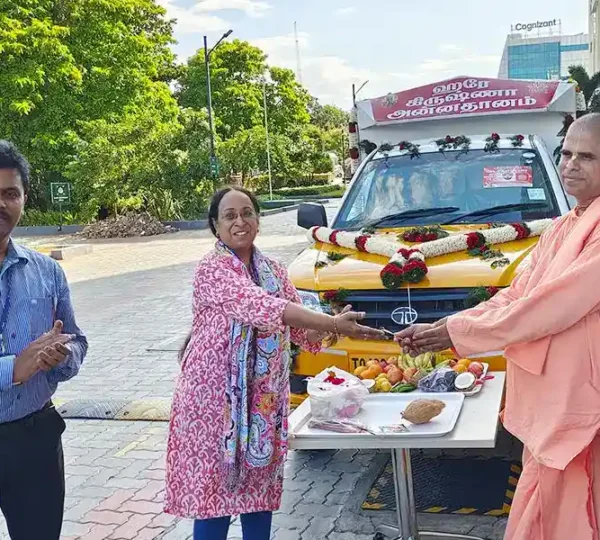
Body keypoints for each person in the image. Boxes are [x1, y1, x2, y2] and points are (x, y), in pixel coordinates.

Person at [394, 114, 600, 540]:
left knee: (579, 504)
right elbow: (516, 295)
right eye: (567, 154)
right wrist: (452, 325)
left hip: (583, 401)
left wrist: (459, 335)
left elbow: (550, 307)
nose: (571, 165)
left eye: (588, 157)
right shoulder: (564, 226)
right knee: (542, 500)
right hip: (550, 399)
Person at [165, 186, 383, 540]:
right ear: (215, 226)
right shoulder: (212, 270)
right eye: (230, 216)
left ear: (257, 219)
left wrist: (334, 327)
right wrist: (327, 322)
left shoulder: (275, 272)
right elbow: (261, 307)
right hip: (212, 407)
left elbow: (300, 332)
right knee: (214, 500)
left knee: (258, 498)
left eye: (247, 213)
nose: (240, 222)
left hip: (262, 405)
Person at [0, 141, 88, 539]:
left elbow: (77, 340)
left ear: (23, 198)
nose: (1, 204)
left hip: (35, 439)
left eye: (9, 194)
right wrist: (14, 368)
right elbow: (18, 365)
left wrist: (63, 355)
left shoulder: (47, 271)